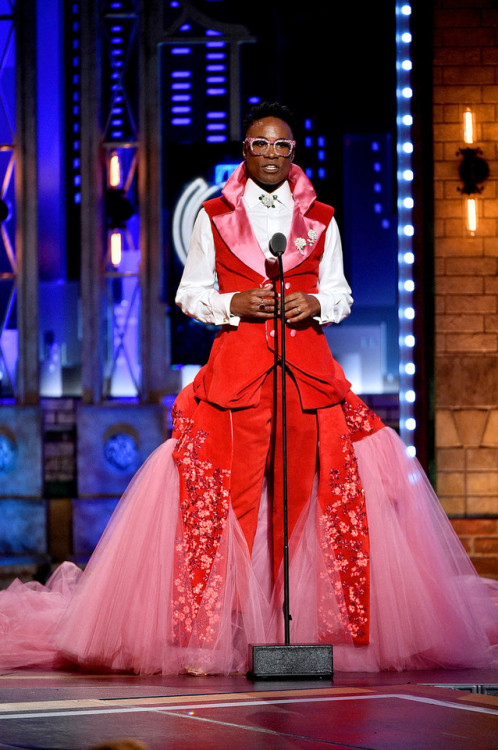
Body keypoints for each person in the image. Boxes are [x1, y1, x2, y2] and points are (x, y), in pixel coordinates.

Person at [0, 102, 496, 676]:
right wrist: (233, 303)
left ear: (292, 155)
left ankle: (305, 629)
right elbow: (190, 294)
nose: (270, 155)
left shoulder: (323, 218)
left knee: (311, 497)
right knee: (225, 500)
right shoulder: (211, 215)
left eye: (280, 146)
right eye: (259, 145)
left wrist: (316, 304)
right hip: (236, 373)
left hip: (306, 372)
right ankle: (216, 633)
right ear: (245, 152)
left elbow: (341, 294)